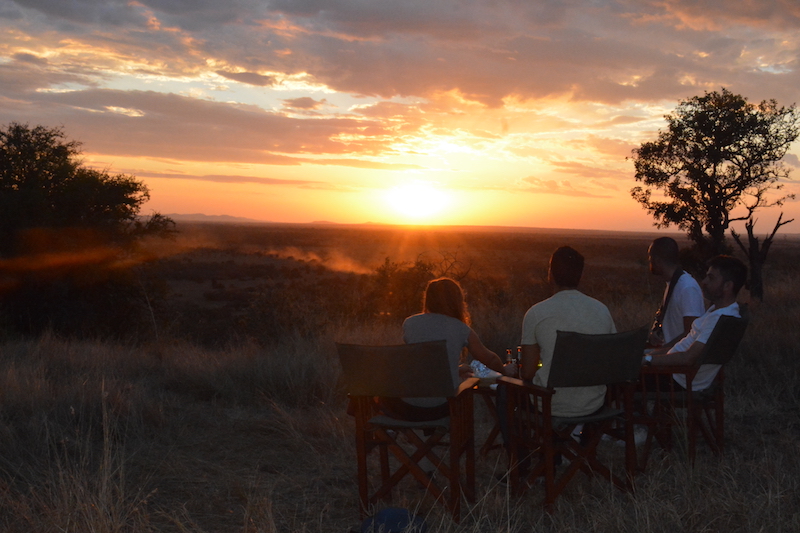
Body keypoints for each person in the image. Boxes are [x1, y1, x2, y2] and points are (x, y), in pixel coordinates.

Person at [383, 277, 513, 421]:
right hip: (444, 406)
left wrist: (454, 369)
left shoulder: (410, 323)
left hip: (406, 406)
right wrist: (504, 370)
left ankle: (383, 434)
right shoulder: (461, 328)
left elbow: (422, 363)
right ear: (457, 301)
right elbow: (489, 359)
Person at [519, 246, 616, 418]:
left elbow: (527, 372)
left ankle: (526, 444)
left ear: (551, 275)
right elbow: (610, 359)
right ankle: (579, 438)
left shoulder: (536, 313)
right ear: (580, 276)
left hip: (548, 403)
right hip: (593, 404)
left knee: (506, 392)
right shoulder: (602, 310)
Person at [644, 255, 747, 391]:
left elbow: (688, 357)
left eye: (711, 278)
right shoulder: (721, 311)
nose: (704, 282)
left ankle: (628, 411)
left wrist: (648, 360)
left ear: (727, 286)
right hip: (676, 373)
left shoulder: (719, 319)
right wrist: (649, 355)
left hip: (678, 377)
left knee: (617, 378)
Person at [647, 237, 705, 348]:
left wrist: (661, 353)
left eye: (650, 256)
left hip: (677, 359)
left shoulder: (687, 288)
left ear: (658, 260)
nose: (649, 260)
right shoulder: (674, 283)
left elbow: (691, 334)